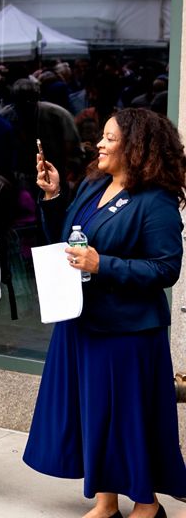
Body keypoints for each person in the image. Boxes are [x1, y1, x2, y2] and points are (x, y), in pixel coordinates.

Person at [26, 107, 186, 518]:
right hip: (82, 320)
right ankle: (106, 500)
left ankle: (148, 506)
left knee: (126, 418)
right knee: (95, 415)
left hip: (126, 331)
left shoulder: (157, 202)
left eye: (110, 138)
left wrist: (104, 265)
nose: (99, 142)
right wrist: (54, 196)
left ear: (136, 147)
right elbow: (68, 239)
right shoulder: (94, 185)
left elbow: (166, 268)